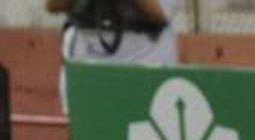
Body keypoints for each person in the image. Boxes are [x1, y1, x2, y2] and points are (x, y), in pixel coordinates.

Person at [48, 0, 183, 113]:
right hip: (87, 50)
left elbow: (159, 14)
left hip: (145, 52)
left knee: (146, 131)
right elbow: (53, 5)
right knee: (86, 134)